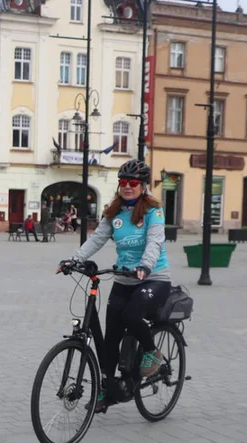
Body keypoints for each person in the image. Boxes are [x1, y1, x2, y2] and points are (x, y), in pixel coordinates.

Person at [58, 160, 170, 410]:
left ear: (142, 185)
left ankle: (152, 352)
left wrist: (146, 265)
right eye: (123, 183)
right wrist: (73, 260)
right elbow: (97, 238)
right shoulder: (114, 211)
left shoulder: (154, 211)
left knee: (132, 315)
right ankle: (108, 389)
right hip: (123, 279)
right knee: (110, 339)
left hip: (153, 278)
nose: (127, 187)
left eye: (132, 183)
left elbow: (155, 241)